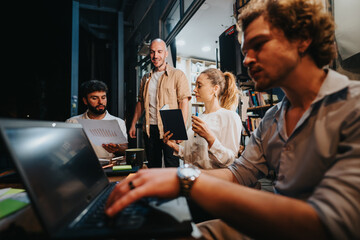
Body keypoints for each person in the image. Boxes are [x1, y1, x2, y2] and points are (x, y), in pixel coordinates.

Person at [105, 0, 360, 239]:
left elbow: (332, 223)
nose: (247, 59)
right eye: (245, 50)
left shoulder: (353, 106)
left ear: (303, 39)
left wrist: (184, 181)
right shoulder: (271, 119)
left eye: (259, 44)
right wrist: (167, 176)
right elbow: (238, 173)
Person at [129, 38, 191, 168]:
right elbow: (140, 102)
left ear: (166, 53)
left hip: (170, 129)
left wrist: (180, 130)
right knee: (153, 166)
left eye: (159, 51)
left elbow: (183, 102)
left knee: (172, 166)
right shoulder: (146, 78)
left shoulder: (178, 75)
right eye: (152, 52)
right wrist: (133, 123)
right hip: (150, 129)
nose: (155, 56)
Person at [163, 68, 242, 169]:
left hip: (214, 181)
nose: (195, 90)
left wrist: (210, 138)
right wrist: (174, 146)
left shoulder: (230, 117)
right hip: (195, 178)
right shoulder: (199, 118)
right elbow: (195, 157)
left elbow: (231, 160)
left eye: (199, 86)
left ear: (215, 89)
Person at [66, 80, 128, 158]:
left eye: (103, 97)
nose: (100, 102)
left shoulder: (118, 122)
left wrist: (117, 149)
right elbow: (64, 149)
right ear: (85, 101)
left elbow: (124, 148)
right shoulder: (72, 122)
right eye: (94, 98)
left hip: (109, 166)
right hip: (81, 166)